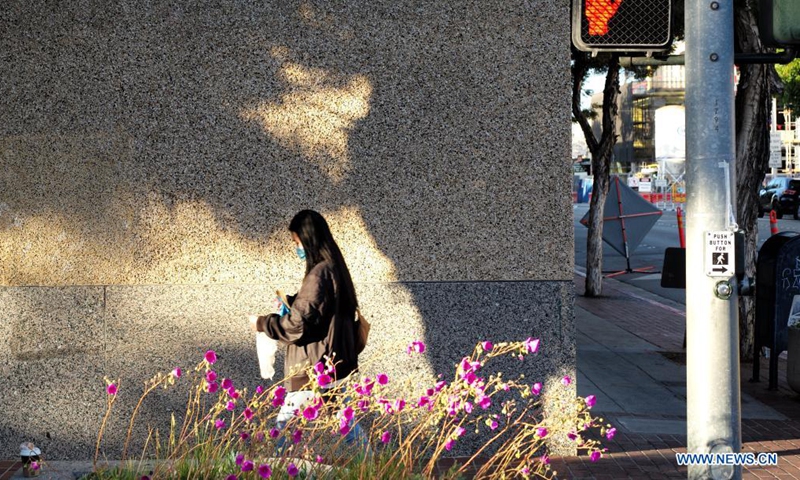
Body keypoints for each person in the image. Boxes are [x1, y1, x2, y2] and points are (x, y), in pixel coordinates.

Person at [250, 210, 362, 438]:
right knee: (346, 424)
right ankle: (371, 470)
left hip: (313, 366)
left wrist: (262, 323)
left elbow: (296, 325)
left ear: (307, 239)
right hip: (335, 363)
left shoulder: (318, 274)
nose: (296, 248)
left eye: (296, 242)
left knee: (284, 428)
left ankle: (275, 473)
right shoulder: (334, 267)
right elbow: (319, 310)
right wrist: (292, 302)